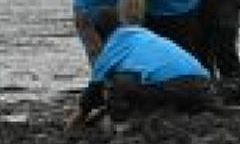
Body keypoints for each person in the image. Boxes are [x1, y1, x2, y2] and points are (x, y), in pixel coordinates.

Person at [66, 10, 216, 130]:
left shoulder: (111, 48)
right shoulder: (140, 33)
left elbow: (94, 90)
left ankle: (121, 125)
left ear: (99, 34)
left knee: (117, 82)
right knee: (144, 78)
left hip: (175, 86)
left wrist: (79, 116)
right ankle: (173, 109)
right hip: (202, 84)